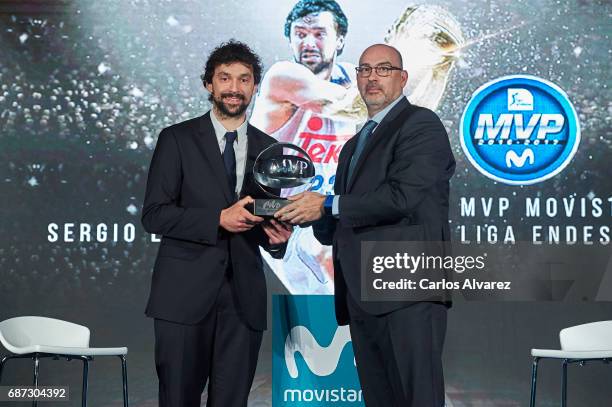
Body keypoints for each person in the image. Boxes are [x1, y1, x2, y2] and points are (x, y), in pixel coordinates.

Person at [275, 43, 456, 406]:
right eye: (364, 70)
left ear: (402, 78)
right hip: (361, 294)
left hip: (407, 289)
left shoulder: (421, 124)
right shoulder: (355, 143)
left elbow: (403, 198)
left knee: (417, 397)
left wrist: (326, 203)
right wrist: (302, 219)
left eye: (384, 69)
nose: (372, 77)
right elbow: (342, 218)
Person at [141, 40, 292, 407]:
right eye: (225, 78)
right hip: (182, 297)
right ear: (209, 84)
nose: (234, 88)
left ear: (255, 86)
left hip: (243, 301)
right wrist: (217, 219)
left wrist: (278, 238)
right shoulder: (176, 139)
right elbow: (154, 214)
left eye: (244, 79)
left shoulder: (271, 149)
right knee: (178, 398)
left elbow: (267, 220)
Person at [250, 0, 363, 294]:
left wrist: (437, 67)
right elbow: (353, 107)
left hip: (326, 213)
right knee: (327, 308)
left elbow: (400, 112)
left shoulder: (351, 77)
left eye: (319, 33)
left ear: (340, 40)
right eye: (300, 34)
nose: (308, 42)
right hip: (281, 217)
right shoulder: (283, 76)